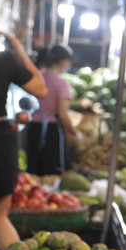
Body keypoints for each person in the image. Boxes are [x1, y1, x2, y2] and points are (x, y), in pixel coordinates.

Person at [0, 30, 46, 250]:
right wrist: (18, 49)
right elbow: (40, 88)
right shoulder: (3, 60)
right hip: (0, 138)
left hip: (0, 134)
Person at [25, 45, 76, 175]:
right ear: (64, 62)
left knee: (33, 170)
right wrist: (74, 132)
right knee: (52, 172)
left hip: (33, 127)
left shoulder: (37, 77)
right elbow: (63, 114)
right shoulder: (61, 84)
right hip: (51, 131)